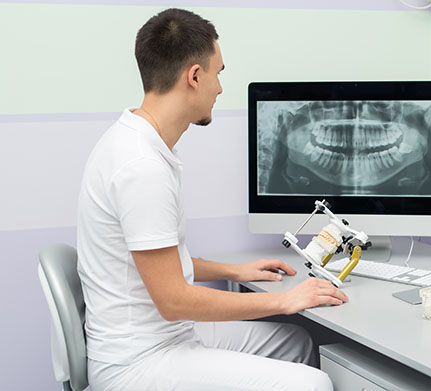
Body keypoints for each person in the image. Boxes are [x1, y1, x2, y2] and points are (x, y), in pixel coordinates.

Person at [76, 8, 347, 391]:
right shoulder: (141, 169)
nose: (220, 88)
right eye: (218, 73)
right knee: (313, 384)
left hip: (165, 336)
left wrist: (236, 271)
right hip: (136, 363)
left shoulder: (138, 142)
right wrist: (285, 300)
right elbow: (174, 301)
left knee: (296, 343)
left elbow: (162, 261)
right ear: (195, 76)